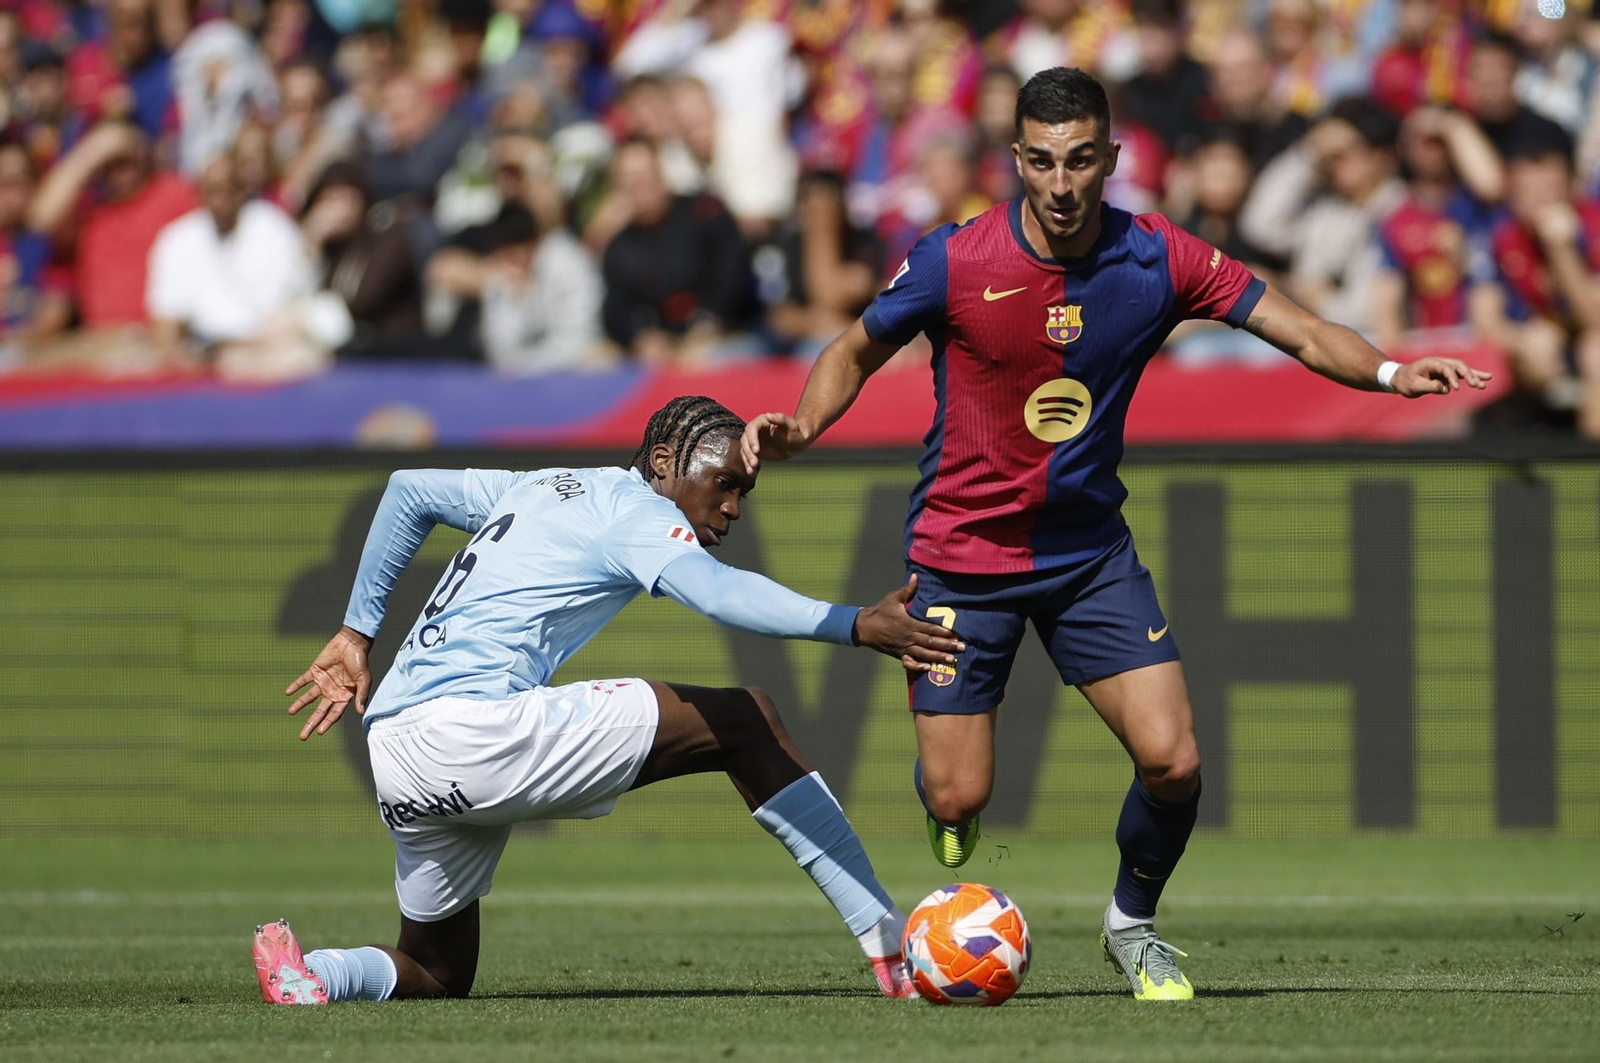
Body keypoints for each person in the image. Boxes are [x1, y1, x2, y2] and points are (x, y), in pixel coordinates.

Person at [740, 67, 1490, 1002]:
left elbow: (1295, 329)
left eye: (1081, 161)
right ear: (1018, 159)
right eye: (1044, 162)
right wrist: (803, 427)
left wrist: (1388, 372)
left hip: (1087, 557)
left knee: (1174, 759)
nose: (1062, 183)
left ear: (1112, 160)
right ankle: (953, 811)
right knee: (956, 795)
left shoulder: (1159, 257)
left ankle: (1132, 925)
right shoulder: (955, 259)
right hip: (962, 560)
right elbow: (853, 347)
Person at [257, 396, 966, 1005]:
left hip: (396, 749)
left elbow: (408, 489)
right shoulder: (635, 512)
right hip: (469, 731)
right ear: (663, 462)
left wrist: (356, 631)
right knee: (748, 719)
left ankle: (309, 972)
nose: (733, 505)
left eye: (745, 491)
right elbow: (720, 592)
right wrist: (854, 623)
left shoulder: (544, 483)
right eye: (723, 481)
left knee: (437, 972)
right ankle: (892, 950)